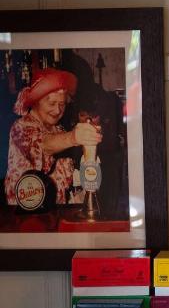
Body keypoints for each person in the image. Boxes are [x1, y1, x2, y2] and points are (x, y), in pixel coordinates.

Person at [4, 68, 102, 205]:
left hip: (56, 211)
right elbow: (43, 145)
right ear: (37, 101)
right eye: (51, 104)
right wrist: (73, 137)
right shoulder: (21, 127)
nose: (57, 110)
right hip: (26, 212)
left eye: (62, 104)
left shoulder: (58, 129)